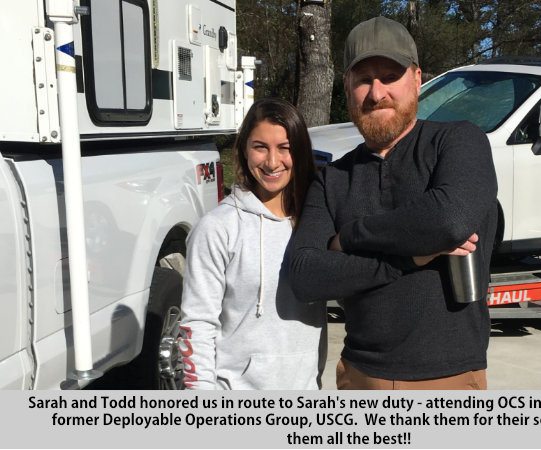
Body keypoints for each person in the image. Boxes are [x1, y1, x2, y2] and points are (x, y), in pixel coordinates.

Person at [290, 17, 498, 390]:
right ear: (347, 87)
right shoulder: (332, 178)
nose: (376, 92)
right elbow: (305, 275)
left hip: (448, 377)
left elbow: (448, 219)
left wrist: (349, 238)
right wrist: (409, 257)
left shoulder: (459, 142)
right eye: (363, 80)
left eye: (389, 76)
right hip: (360, 375)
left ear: (417, 79)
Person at [179, 98, 327, 390]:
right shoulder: (217, 228)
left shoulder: (318, 223)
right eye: (260, 147)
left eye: (285, 148)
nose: (272, 162)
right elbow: (197, 324)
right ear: (244, 149)